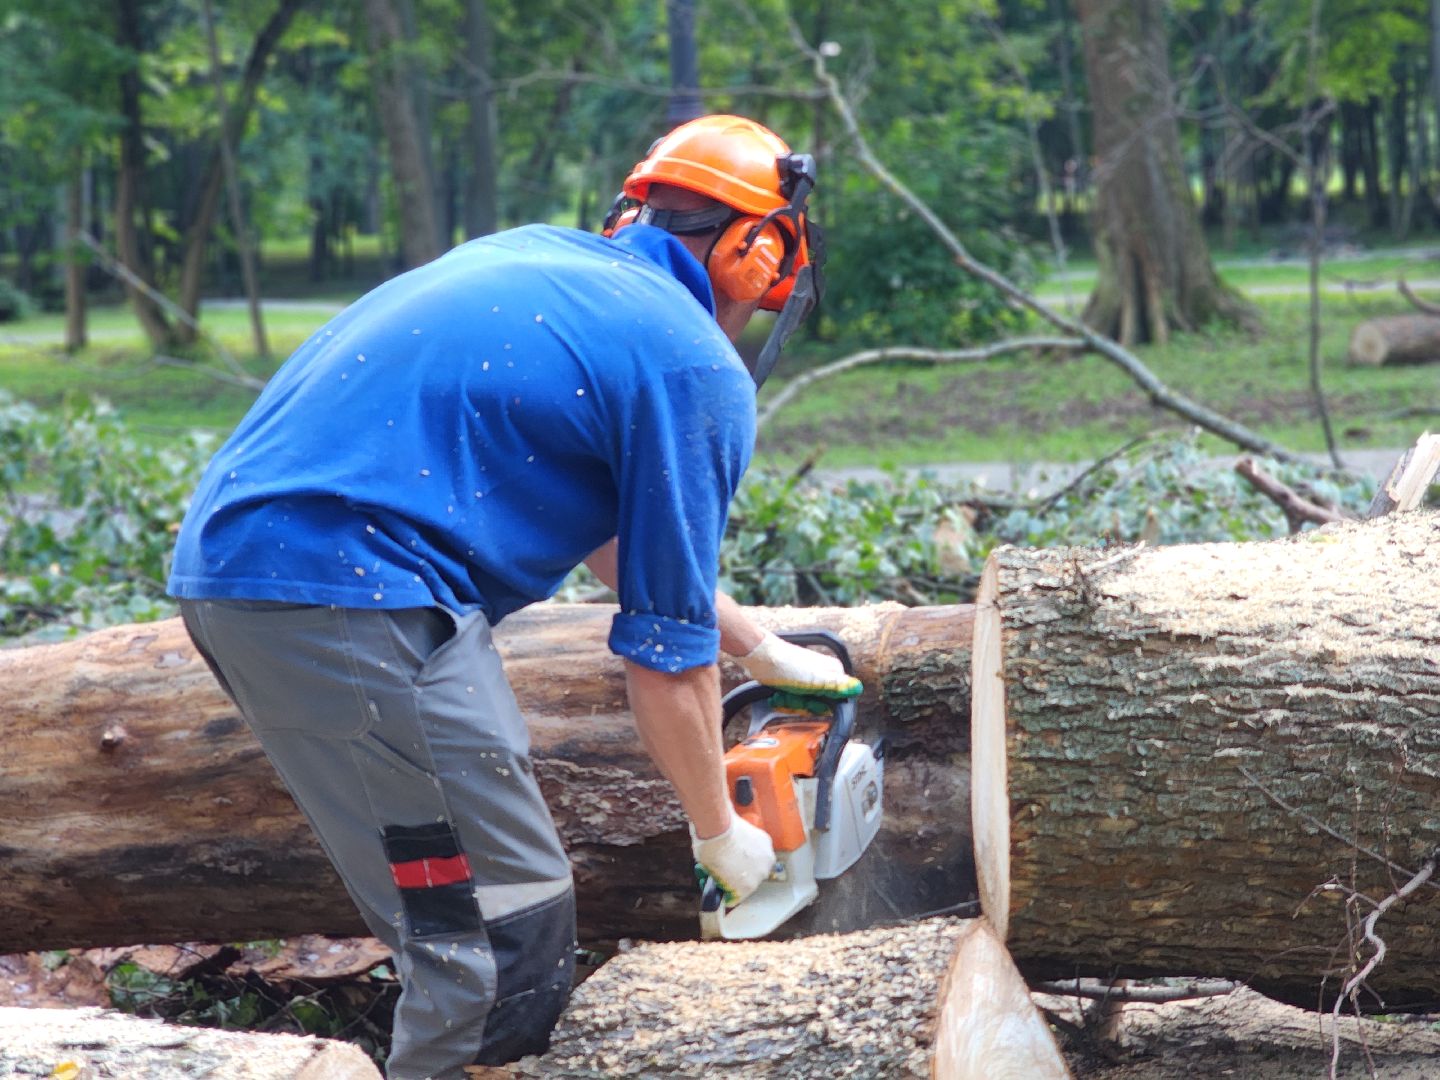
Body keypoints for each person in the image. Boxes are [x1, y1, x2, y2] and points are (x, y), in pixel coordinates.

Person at [168, 114, 860, 1079]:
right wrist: (721, 835)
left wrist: (756, 648)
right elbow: (663, 665)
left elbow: (616, 528)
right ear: (759, 252)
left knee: (473, 920)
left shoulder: (541, 261)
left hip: (266, 569)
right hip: (349, 593)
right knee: (496, 942)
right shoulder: (691, 362)